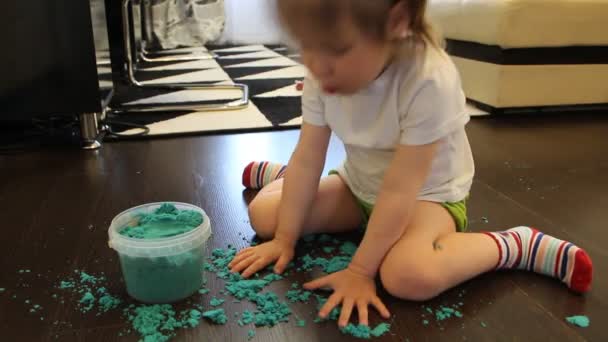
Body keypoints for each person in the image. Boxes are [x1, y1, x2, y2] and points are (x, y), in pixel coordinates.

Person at [228, 0, 593, 328]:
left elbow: (401, 188)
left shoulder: (428, 79)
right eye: (305, 45)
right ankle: (285, 178)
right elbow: (309, 155)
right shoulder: (324, 71)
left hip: (426, 197)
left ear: (396, 21)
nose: (315, 64)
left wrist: (359, 270)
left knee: (407, 276)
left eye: (335, 48)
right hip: (360, 186)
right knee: (266, 217)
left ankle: (516, 245)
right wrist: (285, 239)